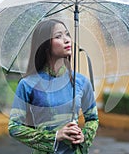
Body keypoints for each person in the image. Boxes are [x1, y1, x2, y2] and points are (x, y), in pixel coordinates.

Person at [8, 19, 99, 154]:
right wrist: (56, 136)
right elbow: (14, 127)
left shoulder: (81, 82)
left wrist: (84, 136)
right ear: (44, 45)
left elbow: (93, 119)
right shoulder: (28, 84)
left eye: (67, 34)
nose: (67, 39)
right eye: (58, 36)